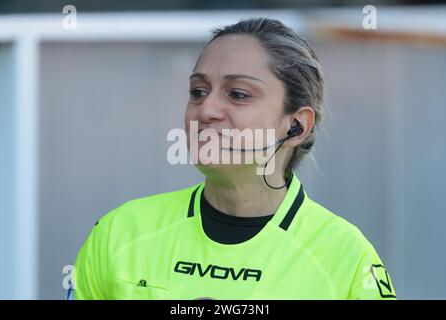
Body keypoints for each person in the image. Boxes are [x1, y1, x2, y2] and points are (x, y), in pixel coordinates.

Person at [72, 17, 396, 300]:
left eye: (238, 94)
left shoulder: (347, 258)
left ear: (297, 125)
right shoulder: (120, 233)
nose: (207, 111)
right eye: (198, 91)